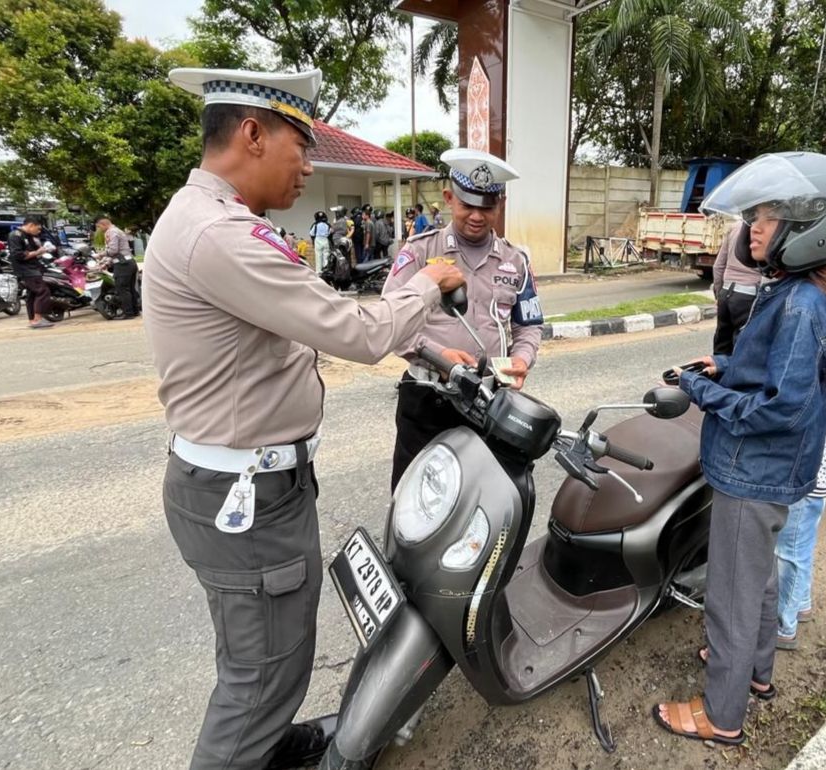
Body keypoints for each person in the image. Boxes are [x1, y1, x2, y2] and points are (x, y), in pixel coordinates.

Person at [144, 65, 464, 770]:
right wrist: (426, 284)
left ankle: (269, 743)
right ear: (253, 134)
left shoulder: (210, 220)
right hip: (245, 497)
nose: (309, 165)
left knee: (265, 652)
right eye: (302, 143)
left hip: (246, 486)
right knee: (258, 673)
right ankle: (248, 748)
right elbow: (356, 332)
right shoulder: (220, 234)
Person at [652, 152, 826, 746]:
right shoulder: (802, 291)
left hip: (753, 469)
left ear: (812, 224)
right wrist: (723, 365)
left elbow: (779, 408)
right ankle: (757, 671)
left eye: (769, 217)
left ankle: (722, 713)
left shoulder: (799, 302)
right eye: (756, 216)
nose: (755, 228)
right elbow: (776, 370)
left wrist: (699, 389)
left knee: (732, 594)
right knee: (761, 577)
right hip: (770, 470)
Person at [382, 148, 544, 490]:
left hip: (490, 399)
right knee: (416, 495)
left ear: (500, 204)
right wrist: (439, 357)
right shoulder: (420, 252)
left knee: (484, 497)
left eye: (487, 207)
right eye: (467, 204)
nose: (476, 216)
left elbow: (528, 325)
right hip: (428, 397)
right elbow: (389, 321)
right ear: (448, 198)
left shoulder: (515, 261)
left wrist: (522, 358)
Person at [775, 356, 826, 649]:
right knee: (800, 542)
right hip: (818, 461)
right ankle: (800, 603)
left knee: (789, 550)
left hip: (810, 464)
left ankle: (783, 625)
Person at [710, 220, 762, 355]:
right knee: (742, 347)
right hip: (748, 295)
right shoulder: (763, 229)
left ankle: (717, 367)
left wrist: (719, 294)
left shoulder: (734, 227)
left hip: (726, 292)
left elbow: (718, 266)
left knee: (721, 343)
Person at [7, 214, 56, 329]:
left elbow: (35, 250)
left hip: (33, 267)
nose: (39, 231)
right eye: (38, 228)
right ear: (31, 225)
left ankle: (33, 320)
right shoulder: (15, 235)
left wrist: (43, 249)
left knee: (32, 294)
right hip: (26, 270)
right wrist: (37, 252)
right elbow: (18, 255)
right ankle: (38, 319)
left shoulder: (28, 236)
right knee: (42, 291)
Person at [95, 214, 139, 318]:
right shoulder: (118, 231)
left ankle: (128, 313)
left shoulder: (111, 232)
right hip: (129, 262)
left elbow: (113, 250)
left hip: (123, 265)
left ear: (103, 224)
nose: (99, 229)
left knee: (122, 289)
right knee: (130, 289)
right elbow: (118, 252)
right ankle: (134, 311)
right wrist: (106, 263)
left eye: (99, 226)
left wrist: (100, 255)